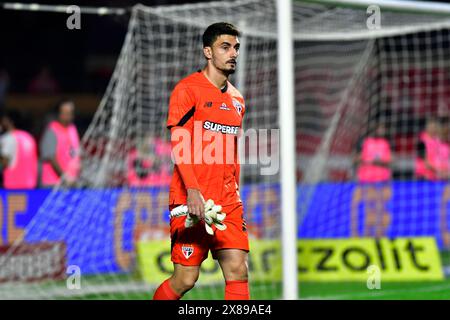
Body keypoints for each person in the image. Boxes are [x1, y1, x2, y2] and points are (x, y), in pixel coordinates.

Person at [153, 22, 249, 300]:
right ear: (208, 51)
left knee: (238, 270)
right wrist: (193, 191)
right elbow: (179, 144)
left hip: (228, 200)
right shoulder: (187, 90)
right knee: (185, 278)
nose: (233, 53)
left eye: (236, 48)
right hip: (189, 197)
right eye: (225, 47)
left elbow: (231, 154)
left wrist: (236, 193)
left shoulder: (238, 100)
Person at [40, 99, 80, 187]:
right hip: (53, 184)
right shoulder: (51, 130)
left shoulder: (72, 129)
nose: (68, 116)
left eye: (70, 113)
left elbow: (75, 153)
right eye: (65, 113)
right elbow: (50, 157)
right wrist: (64, 177)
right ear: (58, 114)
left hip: (71, 183)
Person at [0, 110, 38, 189]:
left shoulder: (8, 138)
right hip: (30, 184)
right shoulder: (29, 137)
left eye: (3, 120)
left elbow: (4, 162)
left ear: (9, 121)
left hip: (12, 185)